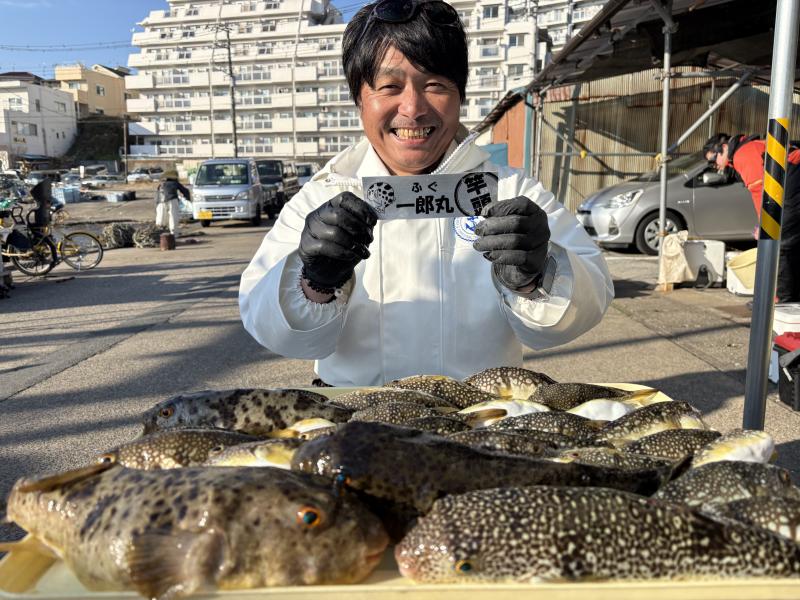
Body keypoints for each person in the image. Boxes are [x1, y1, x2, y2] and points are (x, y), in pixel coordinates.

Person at [239, 0, 614, 387]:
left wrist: (537, 275)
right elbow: (268, 324)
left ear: (460, 96)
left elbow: (589, 300)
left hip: (480, 422)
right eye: (389, 86)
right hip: (359, 427)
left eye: (435, 84)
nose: (413, 108)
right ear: (359, 99)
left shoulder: (511, 190)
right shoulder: (322, 197)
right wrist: (313, 282)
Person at [703, 133, 800, 302]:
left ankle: (782, 298)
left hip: (793, 177)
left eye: (713, 160)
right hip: (791, 177)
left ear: (724, 148)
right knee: (790, 241)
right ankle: (789, 294)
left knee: (780, 242)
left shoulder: (743, 154)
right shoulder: (747, 149)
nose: (715, 166)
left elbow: (760, 190)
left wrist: (764, 225)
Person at [156, 168, 190, 237]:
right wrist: (187, 199)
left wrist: (157, 204)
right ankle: (174, 234)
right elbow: (185, 191)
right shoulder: (175, 183)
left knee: (161, 217)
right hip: (172, 200)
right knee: (173, 216)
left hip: (161, 202)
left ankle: (159, 232)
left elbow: (157, 195)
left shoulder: (161, 184)